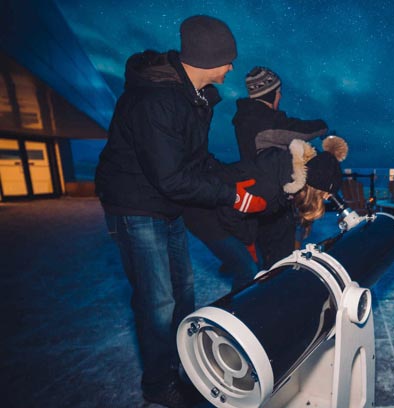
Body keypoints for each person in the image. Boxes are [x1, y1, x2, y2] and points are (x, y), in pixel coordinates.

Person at [95, 15, 266, 408]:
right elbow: (171, 176)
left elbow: (196, 159)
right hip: (136, 205)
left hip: (167, 205)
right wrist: (233, 197)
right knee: (158, 302)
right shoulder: (156, 100)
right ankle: (158, 384)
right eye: (229, 59)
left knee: (183, 291)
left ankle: (181, 364)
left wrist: (234, 180)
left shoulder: (195, 98)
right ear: (210, 58)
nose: (232, 67)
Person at [185, 135, 348, 281]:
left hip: (229, 213)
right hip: (206, 213)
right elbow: (229, 213)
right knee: (248, 269)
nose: (327, 198)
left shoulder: (289, 178)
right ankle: (237, 311)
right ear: (315, 187)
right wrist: (247, 242)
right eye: (326, 193)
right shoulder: (270, 186)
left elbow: (252, 213)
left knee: (258, 268)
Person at [232, 66, 331, 267]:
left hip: (256, 196)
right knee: (278, 263)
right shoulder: (263, 120)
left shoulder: (246, 118)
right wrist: (323, 126)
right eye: (278, 92)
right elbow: (299, 130)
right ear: (270, 94)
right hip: (272, 201)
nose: (281, 96)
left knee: (260, 263)